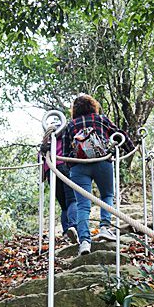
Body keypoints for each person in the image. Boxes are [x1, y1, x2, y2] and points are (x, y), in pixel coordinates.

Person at [60, 94, 133, 255]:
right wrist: (132, 148)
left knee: (82, 205)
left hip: (79, 167)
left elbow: (65, 152)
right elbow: (119, 134)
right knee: (107, 195)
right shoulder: (101, 119)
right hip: (102, 162)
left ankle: (85, 241)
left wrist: (73, 165)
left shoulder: (71, 126)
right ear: (93, 106)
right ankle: (105, 228)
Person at [40, 130, 78, 242]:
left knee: (63, 205)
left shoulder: (44, 145)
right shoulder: (65, 137)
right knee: (72, 200)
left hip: (50, 172)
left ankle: (66, 232)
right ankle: (73, 226)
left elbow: (41, 166)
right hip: (64, 166)